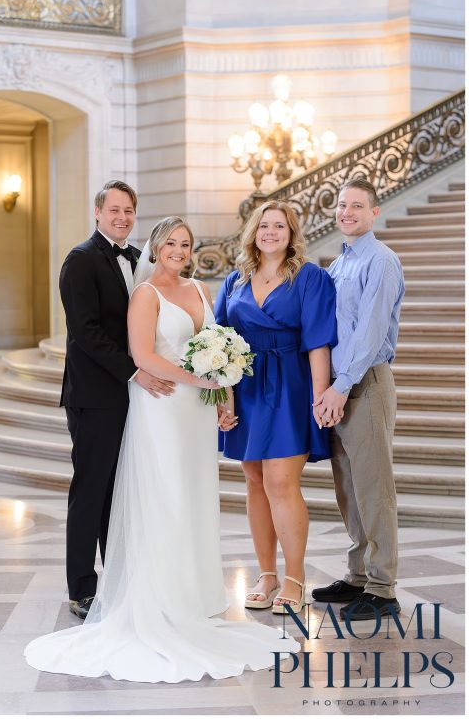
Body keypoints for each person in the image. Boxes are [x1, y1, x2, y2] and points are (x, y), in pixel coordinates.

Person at [25, 217, 301, 682]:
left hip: (197, 413)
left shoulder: (200, 290)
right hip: (161, 406)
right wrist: (202, 380)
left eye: (186, 243)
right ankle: (161, 598)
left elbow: (221, 347)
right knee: (165, 498)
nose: (179, 249)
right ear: (155, 248)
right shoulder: (145, 294)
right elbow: (144, 356)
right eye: (171, 242)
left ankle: (193, 596)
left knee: (194, 498)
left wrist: (224, 397)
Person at [57, 181, 173, 619]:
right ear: (97, 212)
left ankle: (120, 575)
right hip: (94, 393)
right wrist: (134, 371)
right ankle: (81, 587)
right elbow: (85, 333)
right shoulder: (80, 259)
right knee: (91, 488)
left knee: (118, 487)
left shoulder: (140, 259)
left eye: (129, 212)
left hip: (131, 393)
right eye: (115, 210)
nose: (122, 218)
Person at [214, 202, 337, 614]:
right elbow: (220, 345)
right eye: (263, 225)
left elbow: (318, 341)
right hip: (246, 386)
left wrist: (321, 396)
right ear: (253, 232)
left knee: (281, 482)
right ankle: (266, 574)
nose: (270, 232)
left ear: (291, 232)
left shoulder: (310, 277)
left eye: (279, 226)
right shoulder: (234, 280)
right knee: (253, 481)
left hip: (290, 384)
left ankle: (294, 578)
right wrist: (224, 399)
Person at [312, 178, 405, 621]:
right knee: (348, 486)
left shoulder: (381, 262)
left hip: (364, 382)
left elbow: (368, 333)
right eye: (342, 205)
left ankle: (383, 587)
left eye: (356, 206)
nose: (346, 212)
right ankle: (357, 574)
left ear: (374, 213)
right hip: (338, 385)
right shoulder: (339, 263)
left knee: (373, 486)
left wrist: (341, 386)